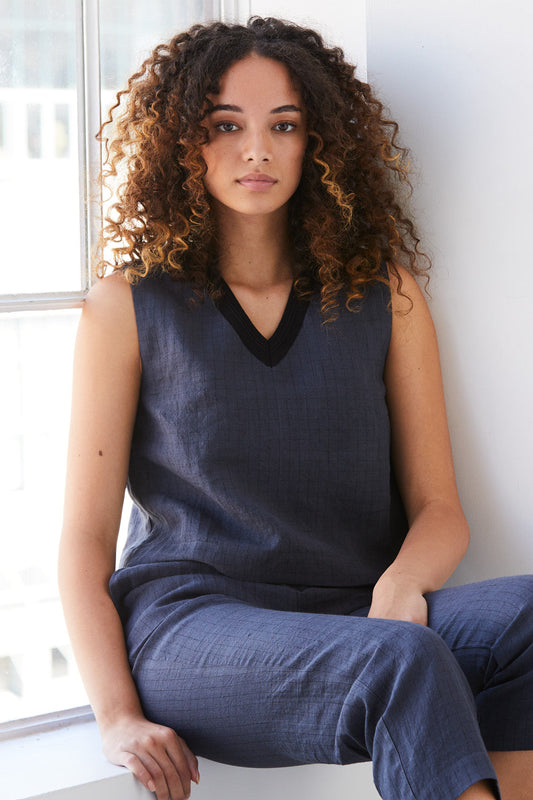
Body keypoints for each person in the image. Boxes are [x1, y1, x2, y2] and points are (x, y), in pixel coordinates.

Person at [58, 16, 533, 800]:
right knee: (401, 660)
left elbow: (438, 507)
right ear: (181, 142)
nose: (256, 150)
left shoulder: (384, 296)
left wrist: (400, 586)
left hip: (354, 612)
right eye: (224, 125)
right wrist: (116, 717)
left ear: (319, 143)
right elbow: (82, 542)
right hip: (191, 628)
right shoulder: (128, 307)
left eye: (284, 125)